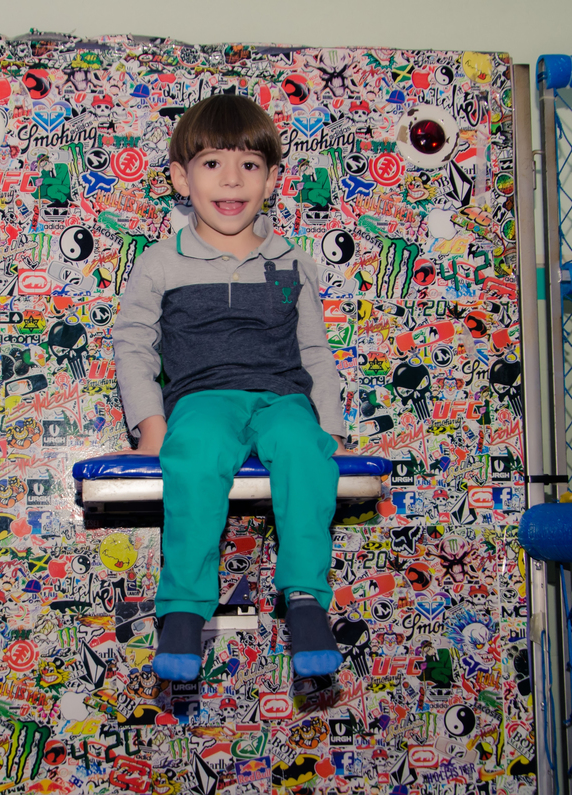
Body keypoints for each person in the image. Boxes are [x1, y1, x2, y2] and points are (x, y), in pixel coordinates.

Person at [113, 93, 346, 682]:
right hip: (203, 401)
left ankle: (306, 599)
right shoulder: (161, 262)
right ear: (181, 179)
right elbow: (133, 344)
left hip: (282, 398)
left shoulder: (293, 261)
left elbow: (314, 351)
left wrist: (332, 428)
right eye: (213, 163)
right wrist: (151, 427)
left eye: (249, 164)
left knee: (305, 448)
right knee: (194, 454)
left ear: (272, 179)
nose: (232, 179)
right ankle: (183, 610)